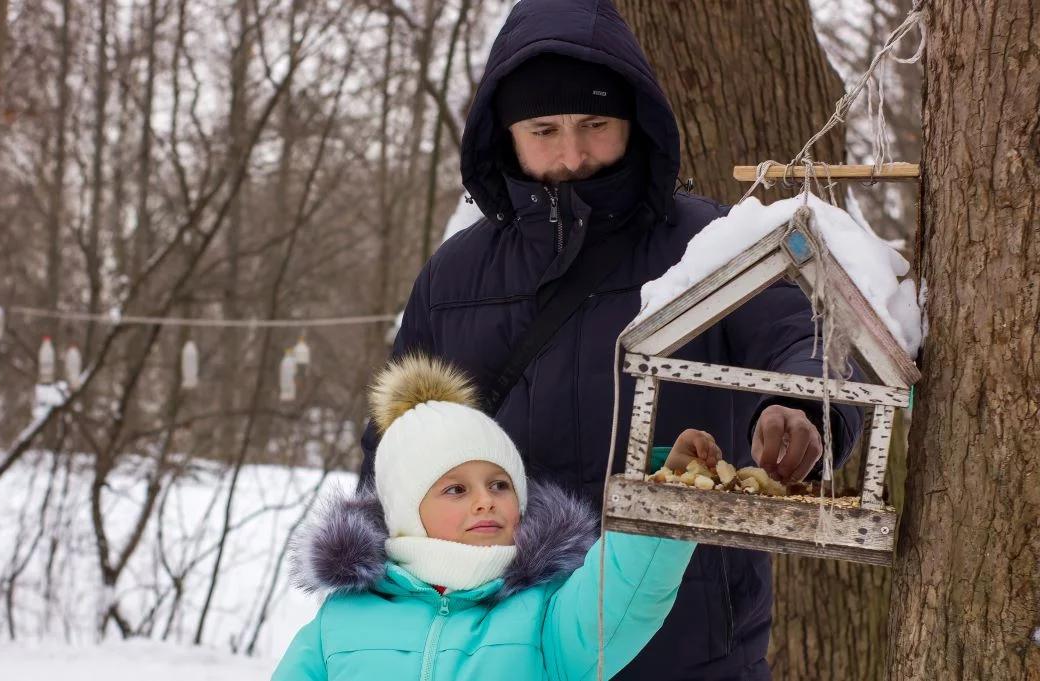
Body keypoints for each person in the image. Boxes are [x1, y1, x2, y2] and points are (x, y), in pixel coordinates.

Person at [357, 1, 863, 679]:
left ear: (634, 120)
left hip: (689, 649)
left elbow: (806, 338)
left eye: (595, 124)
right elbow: (394, 454)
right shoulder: (454, 278)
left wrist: (803, 409)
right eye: (544, 129)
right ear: (505, 135)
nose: (571, 154)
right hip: (502, 653)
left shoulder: (709, 247)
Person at [274, 355, 699, 679]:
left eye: (499, 484)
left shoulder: (546, 615)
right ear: (406, 511)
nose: (485, 501)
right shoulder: (343, 617)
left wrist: (665, 492)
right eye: (455, 489)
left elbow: (631, 589)